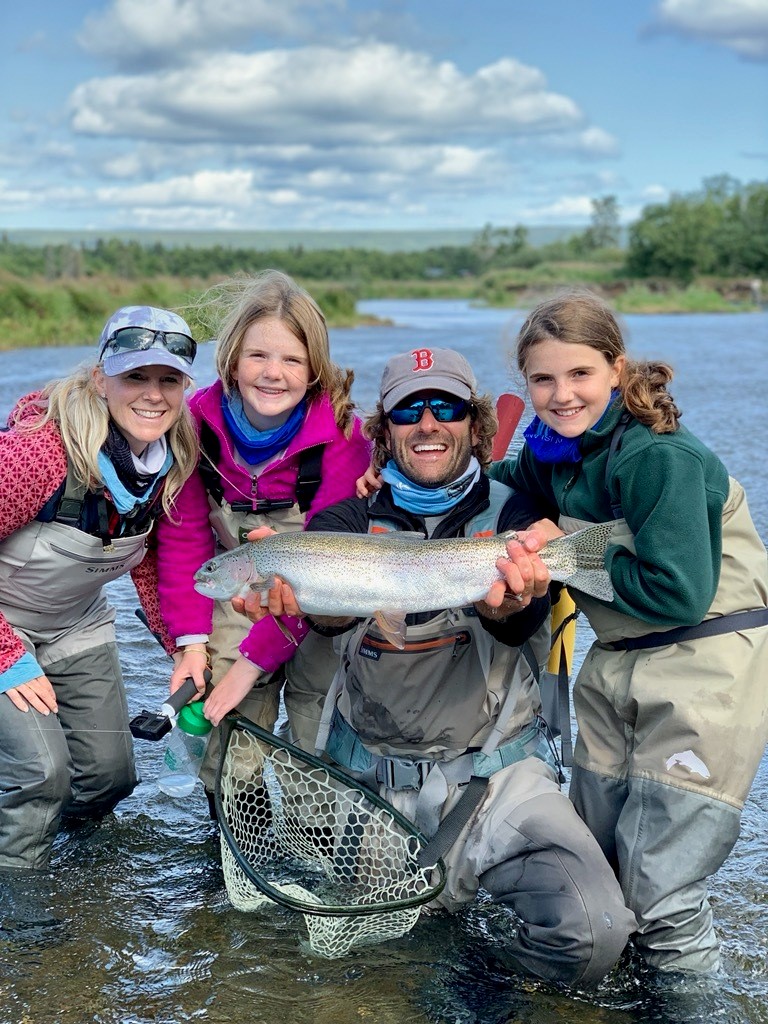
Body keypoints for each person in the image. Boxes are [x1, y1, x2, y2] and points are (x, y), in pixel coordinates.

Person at [238, 346, 635, 988]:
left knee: (594, 934)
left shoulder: (516, 516)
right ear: (384, 430)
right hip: (372, 787)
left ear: (475, 426)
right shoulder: (343, 521)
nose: (427, 423)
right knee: (356, 968)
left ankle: (482, 978)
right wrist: (305, 597)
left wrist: (517, 599)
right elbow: (332, 623)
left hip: (497, 776)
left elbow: (525, 628)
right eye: (407, 411)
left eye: (446, 408)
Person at [489, 289, 768, 975]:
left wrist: (558, 548)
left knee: (665, 899)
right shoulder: (557, 453)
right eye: (543, 379)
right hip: (618, 668)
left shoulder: (656, 457)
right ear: (525, 384)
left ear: (617, 368)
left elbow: (676, 591)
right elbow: (498, 481)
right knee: (606, 873)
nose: (561, 394)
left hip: (703, 669)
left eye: (580, 374)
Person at [155, 270, 371, 803]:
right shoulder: (193, 425)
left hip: (324, 596)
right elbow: (185, 543)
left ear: (314, 370)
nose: (273, 374)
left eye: (292, 360)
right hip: (236, 584)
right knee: (227, 716)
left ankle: (317, 829)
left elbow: (323, 565)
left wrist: (253, 667)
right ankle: (232, 820)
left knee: (317, 710)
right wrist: (190, 644)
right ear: (230, 359)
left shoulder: (343, 436)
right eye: (257, 357)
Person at [0, 305, 199, 871]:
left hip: (74, 619)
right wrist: (8, 655)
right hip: (2, 630)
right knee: (43, 775)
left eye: (168, 380)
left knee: (110, 777)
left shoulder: (173, 456)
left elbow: (151, 557)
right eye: (135, 376)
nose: (153, 395)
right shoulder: (37, 456)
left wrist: (181, 644)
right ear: (100, 378)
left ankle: (67, 870)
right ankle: (23, 916)